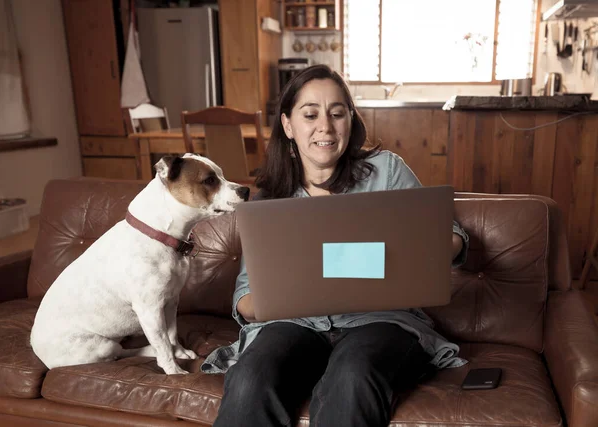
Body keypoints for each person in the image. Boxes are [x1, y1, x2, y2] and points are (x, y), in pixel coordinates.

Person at [201, 64, 469, 427]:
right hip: (295, 324)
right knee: (251, 378)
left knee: (352, 374)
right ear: (288, 125)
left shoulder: (386, 172)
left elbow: (450, 238)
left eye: (337, 113)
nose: (325, 126)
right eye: (310, 114)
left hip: (379, 322)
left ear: (350, 121)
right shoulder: (270, 200)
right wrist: (289, 291)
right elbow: (246, 300)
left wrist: (394, 256)